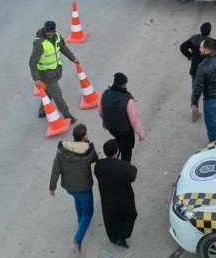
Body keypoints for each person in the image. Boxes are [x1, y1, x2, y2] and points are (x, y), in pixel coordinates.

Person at [49, 124, 98, 253]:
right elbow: (95, 159)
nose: (88, 135)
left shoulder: (62, 149)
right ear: (83, 137)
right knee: (88, 212)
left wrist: (52, 187)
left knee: (77, 199)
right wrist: (87, 143)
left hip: (69, 187)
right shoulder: (89, 150)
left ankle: (80, 222)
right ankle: (78, 239)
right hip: (84, 187)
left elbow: (56, 168)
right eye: (87, 134)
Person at [29, 20, 78, 122]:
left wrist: (72, 58)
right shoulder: (39, 43)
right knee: (57, 94)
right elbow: (32, 62)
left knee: (48, 92)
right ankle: (67, 115)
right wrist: (36, 78)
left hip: (55, 71)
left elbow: (63, 48)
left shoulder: (57, 36)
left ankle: (42, 111)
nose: (50, 34)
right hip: (46, 74)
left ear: (55, 30)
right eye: (48, 32)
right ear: (45, 30)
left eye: (52, 31)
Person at [94, 139, 138, 248]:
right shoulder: (124, 166)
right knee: (130, 215)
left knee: (110, 219)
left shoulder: (99, 165)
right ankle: (121, 236)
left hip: (107, 198)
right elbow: (132, 176)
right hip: (123, 198)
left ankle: (114, 237)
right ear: (117, 152)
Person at [98, 73, 146, 162]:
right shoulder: (128, 101)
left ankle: (113, 161)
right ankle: (124, 168)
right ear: (124, 85)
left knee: (118, 143)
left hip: (112, 128)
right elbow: (134, 120)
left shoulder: (105, 94)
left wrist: (105, 123)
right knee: (127, 151)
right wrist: (140, 133)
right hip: (125, 131)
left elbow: (100, 111)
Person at [179, 22, 214, 93]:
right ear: (209, 32)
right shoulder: (212, 43)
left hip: (195, 68)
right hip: (206, 70)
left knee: (195, 90)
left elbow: (182, 47)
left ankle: (195, 100)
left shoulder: (194, 38)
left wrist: (190, 56)